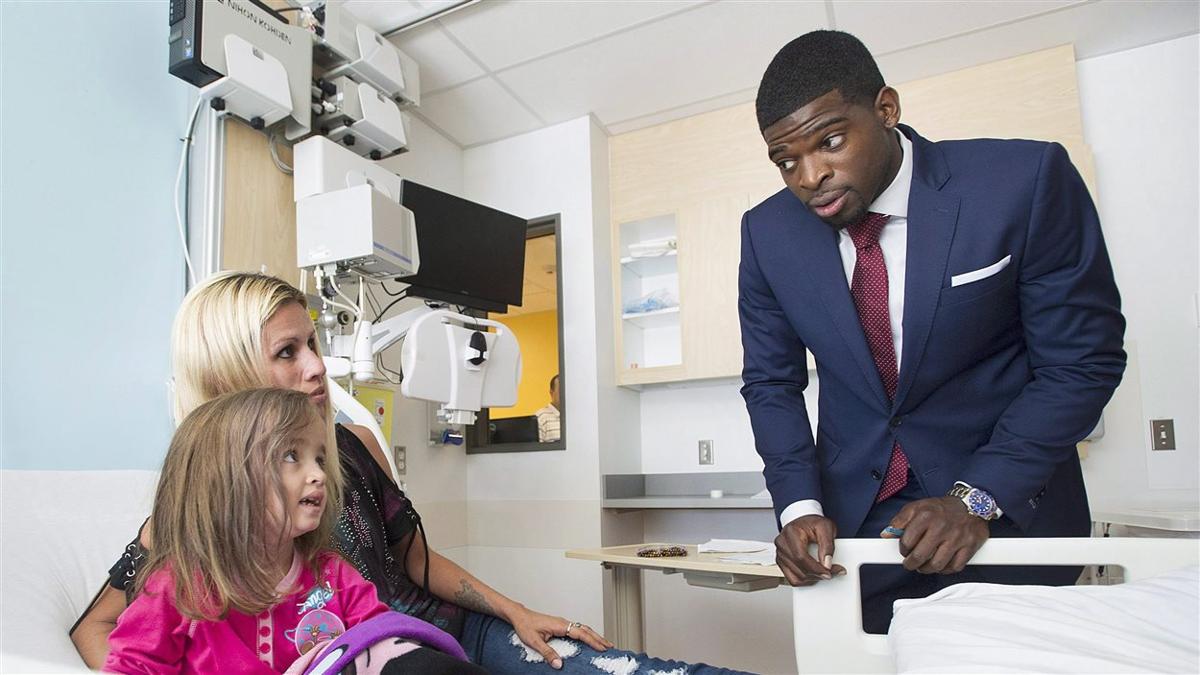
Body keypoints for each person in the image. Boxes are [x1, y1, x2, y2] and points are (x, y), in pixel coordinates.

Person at [73, 271, 749, 674]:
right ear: (228, 375)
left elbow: (418, 563)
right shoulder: (190, 522)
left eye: (313, 344)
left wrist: (517, 611)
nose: (316, 367)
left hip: (447, 631)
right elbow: (96, 630)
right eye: (289, 351)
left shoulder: (352, 442)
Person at [738, 31, 1126, 633]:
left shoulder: (1021, 182)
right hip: (856, 539)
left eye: (830, 141)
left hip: (1006, 511)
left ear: (887, 110)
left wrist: (977, 496)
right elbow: (770, 383)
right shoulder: (768, 235)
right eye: (786, 161)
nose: (809, 175)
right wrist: (798, 506)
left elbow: (1082, 362)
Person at [104, 387, 479, 674]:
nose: (318, 474)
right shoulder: (178, 586)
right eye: (290, 456)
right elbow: (131, 666)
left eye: (319, 457)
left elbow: (378, 640)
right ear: (225, 480)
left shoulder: (332, 576)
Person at [535, 374, 562, 442]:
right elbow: (538, 450)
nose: (564, 393)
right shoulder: (540, 417)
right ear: (551, 393)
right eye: (561, 390)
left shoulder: (576, 416)